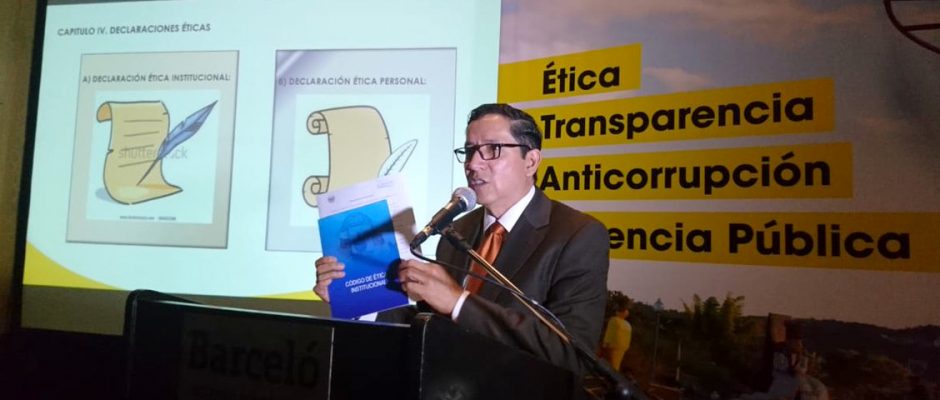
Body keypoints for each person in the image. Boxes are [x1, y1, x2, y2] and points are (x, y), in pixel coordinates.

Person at [314, 103, 610, 374]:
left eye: (492, 149)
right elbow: (431, 323)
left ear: (531, 161)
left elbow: (572, 355)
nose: (473, 164)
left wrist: (459, 302)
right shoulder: (457, 231)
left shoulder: (577, 235)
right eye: (469, 151)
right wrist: (355, 299)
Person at [600, 296, 632, 373]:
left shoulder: (614, 320)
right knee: (616, 365)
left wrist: (605, 343)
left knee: (609, 364)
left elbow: (610, 333)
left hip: (612, 346)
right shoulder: (628, 325)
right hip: (622, 347)